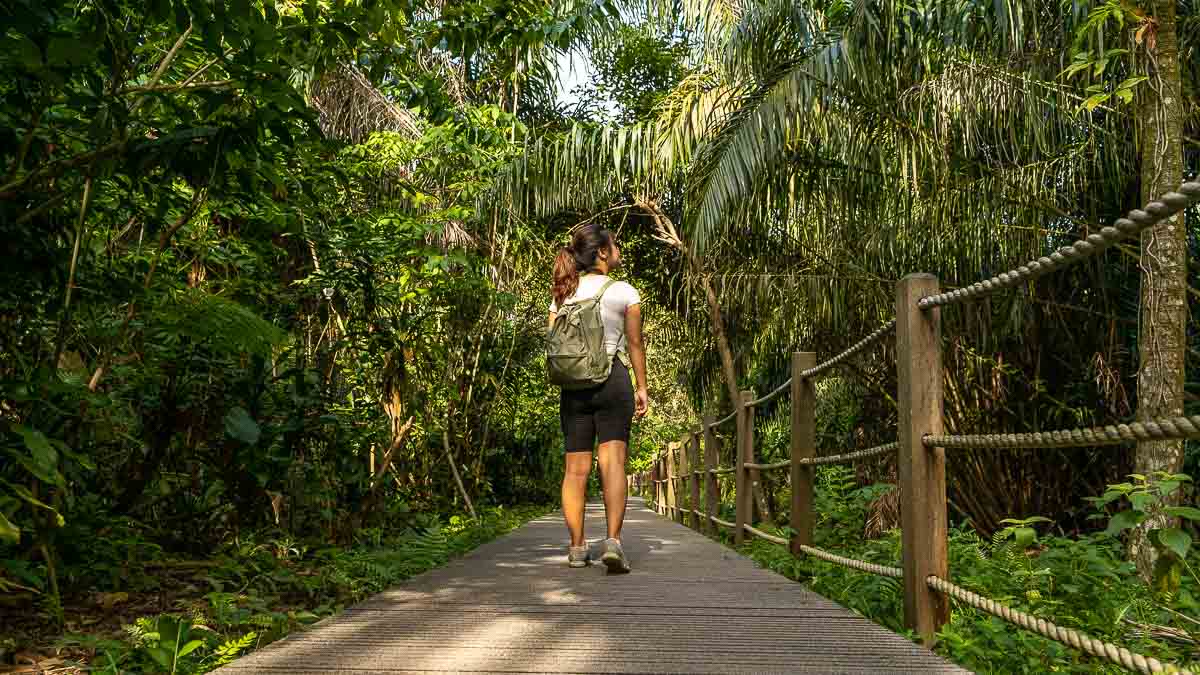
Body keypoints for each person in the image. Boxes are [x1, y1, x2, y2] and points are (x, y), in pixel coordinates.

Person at [548, 224, 648, 573]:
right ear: (603, 252)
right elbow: (635, 344)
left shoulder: (563, 292)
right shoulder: (624, 291)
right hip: (612, 380)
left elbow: (554, 341)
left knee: (575, 471)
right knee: (613, 464)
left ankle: (577, 548)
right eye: (615, 244)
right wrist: (642, 387)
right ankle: (613, 543)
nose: (618, 249)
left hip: (573, 387)